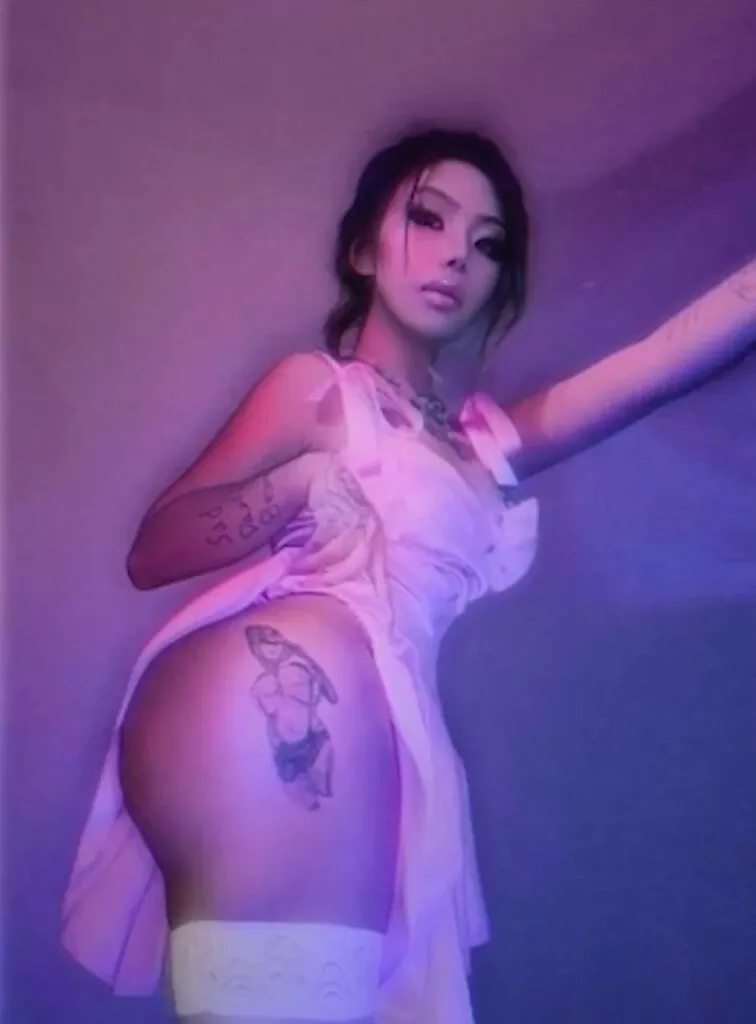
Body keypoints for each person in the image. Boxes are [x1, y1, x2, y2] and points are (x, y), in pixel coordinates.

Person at [61, 126, 755, 1024]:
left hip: (372, 724)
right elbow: (154, 550)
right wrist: (300, 481)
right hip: (275, 700)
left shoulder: (480, 445)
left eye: (487, 243)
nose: (456, 255)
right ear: (362, 249)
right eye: (429, 219)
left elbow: (659, 362)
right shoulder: (319, 389)